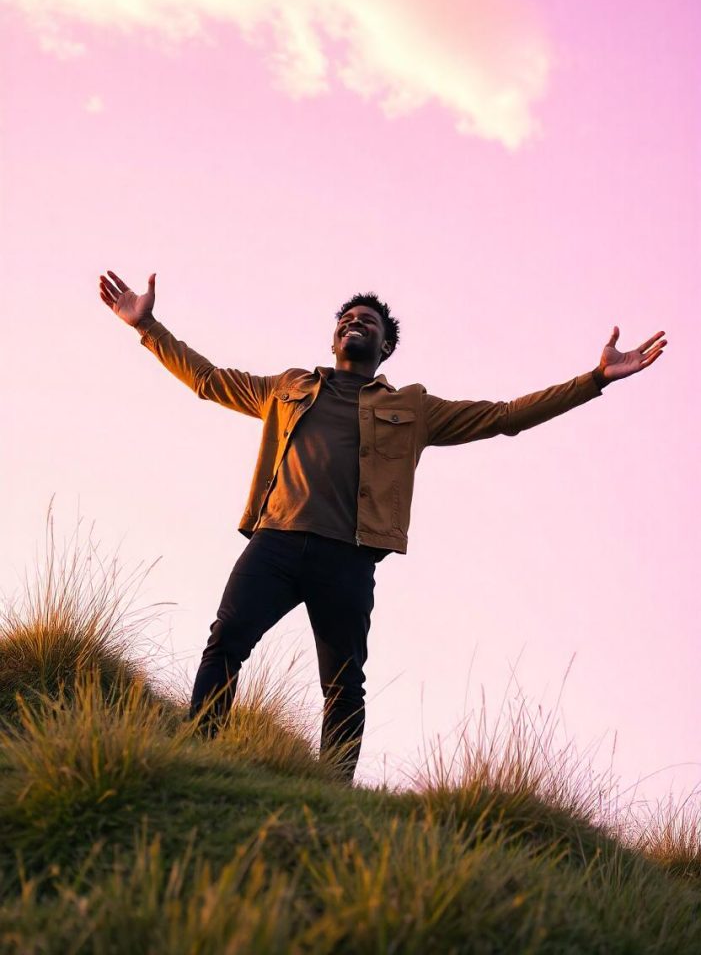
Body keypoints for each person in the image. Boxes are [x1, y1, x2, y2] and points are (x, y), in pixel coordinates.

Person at [98, 270, 667, 783]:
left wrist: (595, 379)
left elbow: (503, 416)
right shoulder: (287, 386)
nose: (354, 323)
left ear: (384, 345)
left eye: (367, 322)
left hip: (348, 558)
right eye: (347, 319)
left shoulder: (414, 409)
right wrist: (147, 326)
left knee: (344, 683)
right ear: (334, 338)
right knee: (225, 643)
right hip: (275, 542)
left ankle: (332, 790)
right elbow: (208, 379)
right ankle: (198, 753)